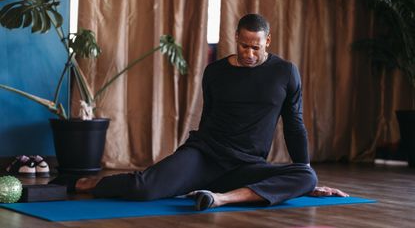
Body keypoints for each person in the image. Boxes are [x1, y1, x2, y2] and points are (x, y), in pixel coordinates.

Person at [50, 14, 348, 211]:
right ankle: (82, 183)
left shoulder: (285, 72)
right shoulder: (216, 72)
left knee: (307, 175)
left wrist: (303, 172)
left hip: (246, 166)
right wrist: (184, 163)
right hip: (205, 156)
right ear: (236, 37)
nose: (249, 53)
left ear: (267, 41)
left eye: (256, 47)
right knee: (143, 188)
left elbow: (294, 126)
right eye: (244, 45)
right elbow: (208, 121)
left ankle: (219, 199)